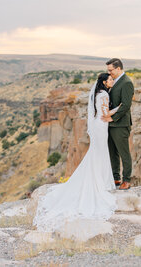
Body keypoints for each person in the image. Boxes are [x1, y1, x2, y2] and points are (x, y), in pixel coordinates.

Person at [33, 73, 119, 232]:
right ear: (105, 82)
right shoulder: (105, 94)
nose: (112, 81)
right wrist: (119, 109)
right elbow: (106, 115)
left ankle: (99, 180)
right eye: (110, 79)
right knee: (100, 155)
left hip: (97, 127)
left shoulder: (97, 94)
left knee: (96, 155)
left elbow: (98, 114)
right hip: (102, 128)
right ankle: (101, 182)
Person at [102, 58, 134, 190]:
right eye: (108, 70)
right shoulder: (113, 81)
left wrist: (113, 118)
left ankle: (126, 180)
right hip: (110, 125)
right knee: (112, 152)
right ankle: (115, 178)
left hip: (120, 125)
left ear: (118, 68)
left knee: (123, 153)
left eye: (111, 70)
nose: (109, 73)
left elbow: (126, 105)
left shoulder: (126, 83)